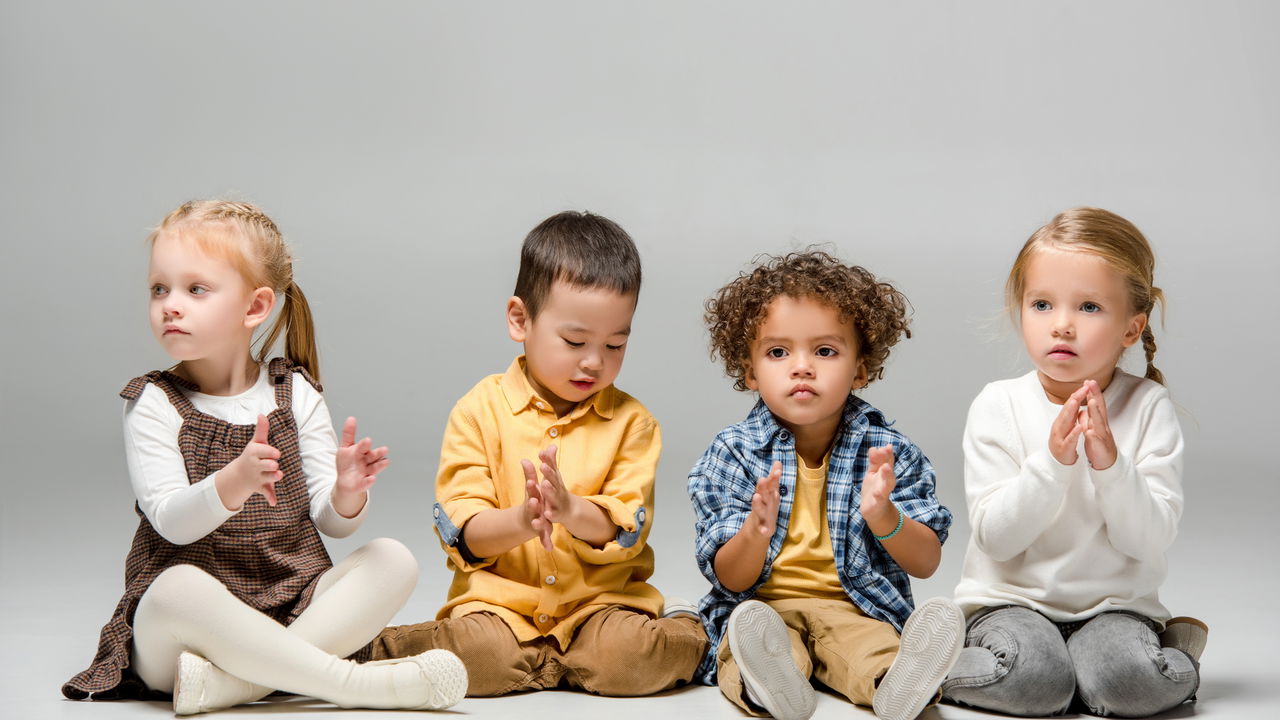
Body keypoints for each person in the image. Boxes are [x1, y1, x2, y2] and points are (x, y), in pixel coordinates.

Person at [62, 200, 465, 714]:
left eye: (195, 289)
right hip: (188, 632)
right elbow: (170, 523)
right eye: (159, 288)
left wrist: (345, 495)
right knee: (174, 589)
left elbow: (333, 526)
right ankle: (350, 684)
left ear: (255, 307)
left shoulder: (294, 392)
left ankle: (234, 687)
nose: (170, 304)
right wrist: (234, 481)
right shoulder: (153, 402)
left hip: (292, 608)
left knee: (394, 559)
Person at [370, 211, 708, 696]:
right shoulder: (477, 412)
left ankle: (692, 629)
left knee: (630, 662)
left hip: (600, 605)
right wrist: (522, 522)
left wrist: (571, 511)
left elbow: (625, 529)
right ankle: (350, 650)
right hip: (500, 608)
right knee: (475, 659)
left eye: (615, 344)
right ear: (520, 319)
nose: (595, 361)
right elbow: (462, 529)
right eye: (575, 341)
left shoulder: (634, 424)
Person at [943, 207, 1201, 717]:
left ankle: (1159, 655)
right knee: (1035, 684)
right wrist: (1054, 464)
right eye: (1042, 304)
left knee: (1132, 685)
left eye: (1088, 307)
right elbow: (997, 537)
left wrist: (1109, 466)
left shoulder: (1147, 406)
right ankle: (931, 663)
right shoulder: (998, 405)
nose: (1060, 325)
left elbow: (1147, 540)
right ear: (1020, 310)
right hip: (1011, 603)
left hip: (1115, 609)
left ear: (1132, 328)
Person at [689, 249, 964, 720]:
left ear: (861, 367)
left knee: (876, 650)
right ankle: (772, 688)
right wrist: (754, 531)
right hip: (762, 609)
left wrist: (885, 516)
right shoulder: (733, 452)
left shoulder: (887, 452)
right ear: (751, 370)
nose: (802, 367)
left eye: (825, 350)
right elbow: (732, 578)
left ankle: (898, 685)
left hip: (855, 611)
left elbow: (926, 562)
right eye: (778, 352)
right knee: (747, 646)